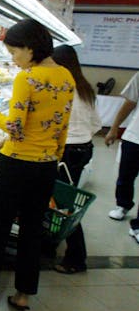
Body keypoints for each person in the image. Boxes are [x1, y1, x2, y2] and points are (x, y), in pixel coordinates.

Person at [0, 19, 75, 311]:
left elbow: (14, 127)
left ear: (30, 48)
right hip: (46, 164)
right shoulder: (66, 76)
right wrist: (54, 155)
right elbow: (61, 126)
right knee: (32, 229)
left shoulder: (27, 78)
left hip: (16, 163)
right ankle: (24, 294)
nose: (13, 60)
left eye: (14, 52)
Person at [51, 45, 101, 273]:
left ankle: (76, 258)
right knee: (62, 199)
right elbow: (97, 124)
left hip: (66, 151)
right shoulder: (85, 88)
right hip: (83, 148)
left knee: (65, 204)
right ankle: (50, 244)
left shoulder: (63, 87)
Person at [105, 71, 139, 243]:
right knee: (125, 176)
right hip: (135, 137)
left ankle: (138, 226)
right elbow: (129, 103)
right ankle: (123, 204)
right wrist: (114, 128)